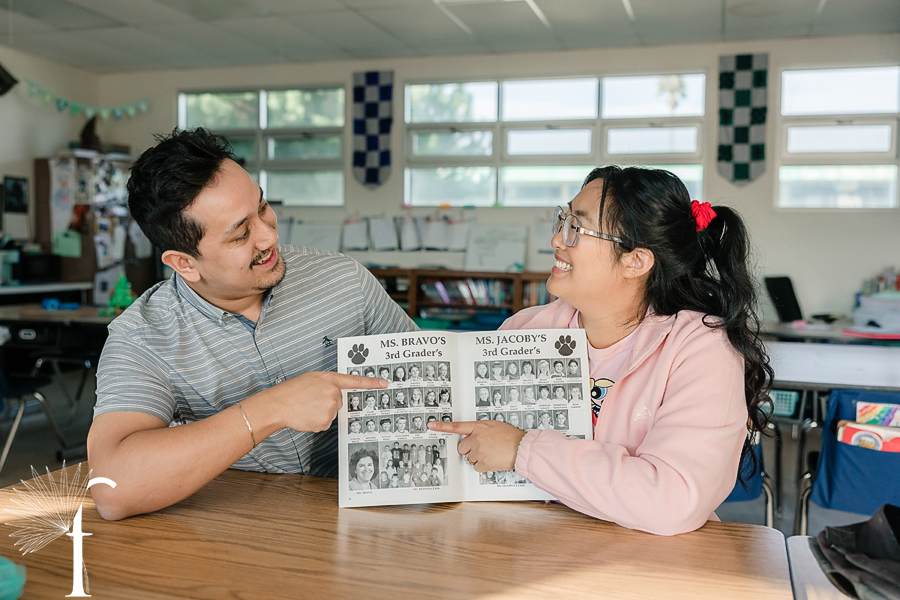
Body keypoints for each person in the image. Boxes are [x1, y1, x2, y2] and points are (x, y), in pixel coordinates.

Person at [87, 129, 418, 520]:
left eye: (262, 208)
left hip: (371, 518)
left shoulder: (344, 280)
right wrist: (268, 409)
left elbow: (426, 378)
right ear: (185, 263)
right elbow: (112, 490)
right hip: (241, 531)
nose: (269, 235)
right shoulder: (142, 338)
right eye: (241, 233)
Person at [429, 165, 772, 536]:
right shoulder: (522, 330)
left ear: (635, 261)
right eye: (563, 220)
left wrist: (522, 451)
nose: (558, 240)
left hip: (646, 566)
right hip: (524, 546)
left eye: (576, 228)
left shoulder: (701, 349)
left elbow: (671, 500)